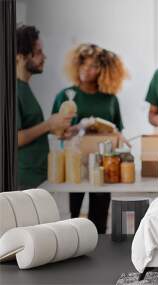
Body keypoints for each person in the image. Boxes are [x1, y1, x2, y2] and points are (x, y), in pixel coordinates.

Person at [52, 43, 127, 233]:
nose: (87, 70)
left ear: (103, 70)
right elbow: (56, 131)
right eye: (84, 65)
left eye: (93, 66)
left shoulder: (110, 99)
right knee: (70, 216)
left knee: (100, 217)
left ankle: (99, 251)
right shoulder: (66, 96)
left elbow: (117, 131)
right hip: (74, 162)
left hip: (104, 163)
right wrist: (75, 128)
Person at [16, 25, 73, 190]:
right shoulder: (13, 90)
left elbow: (30, 129)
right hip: (23, 180)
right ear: (20, 57)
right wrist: (49, 124)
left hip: (36, 177)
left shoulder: (24, 87)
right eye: (38, 52)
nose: (44, 56)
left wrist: (56, 129)